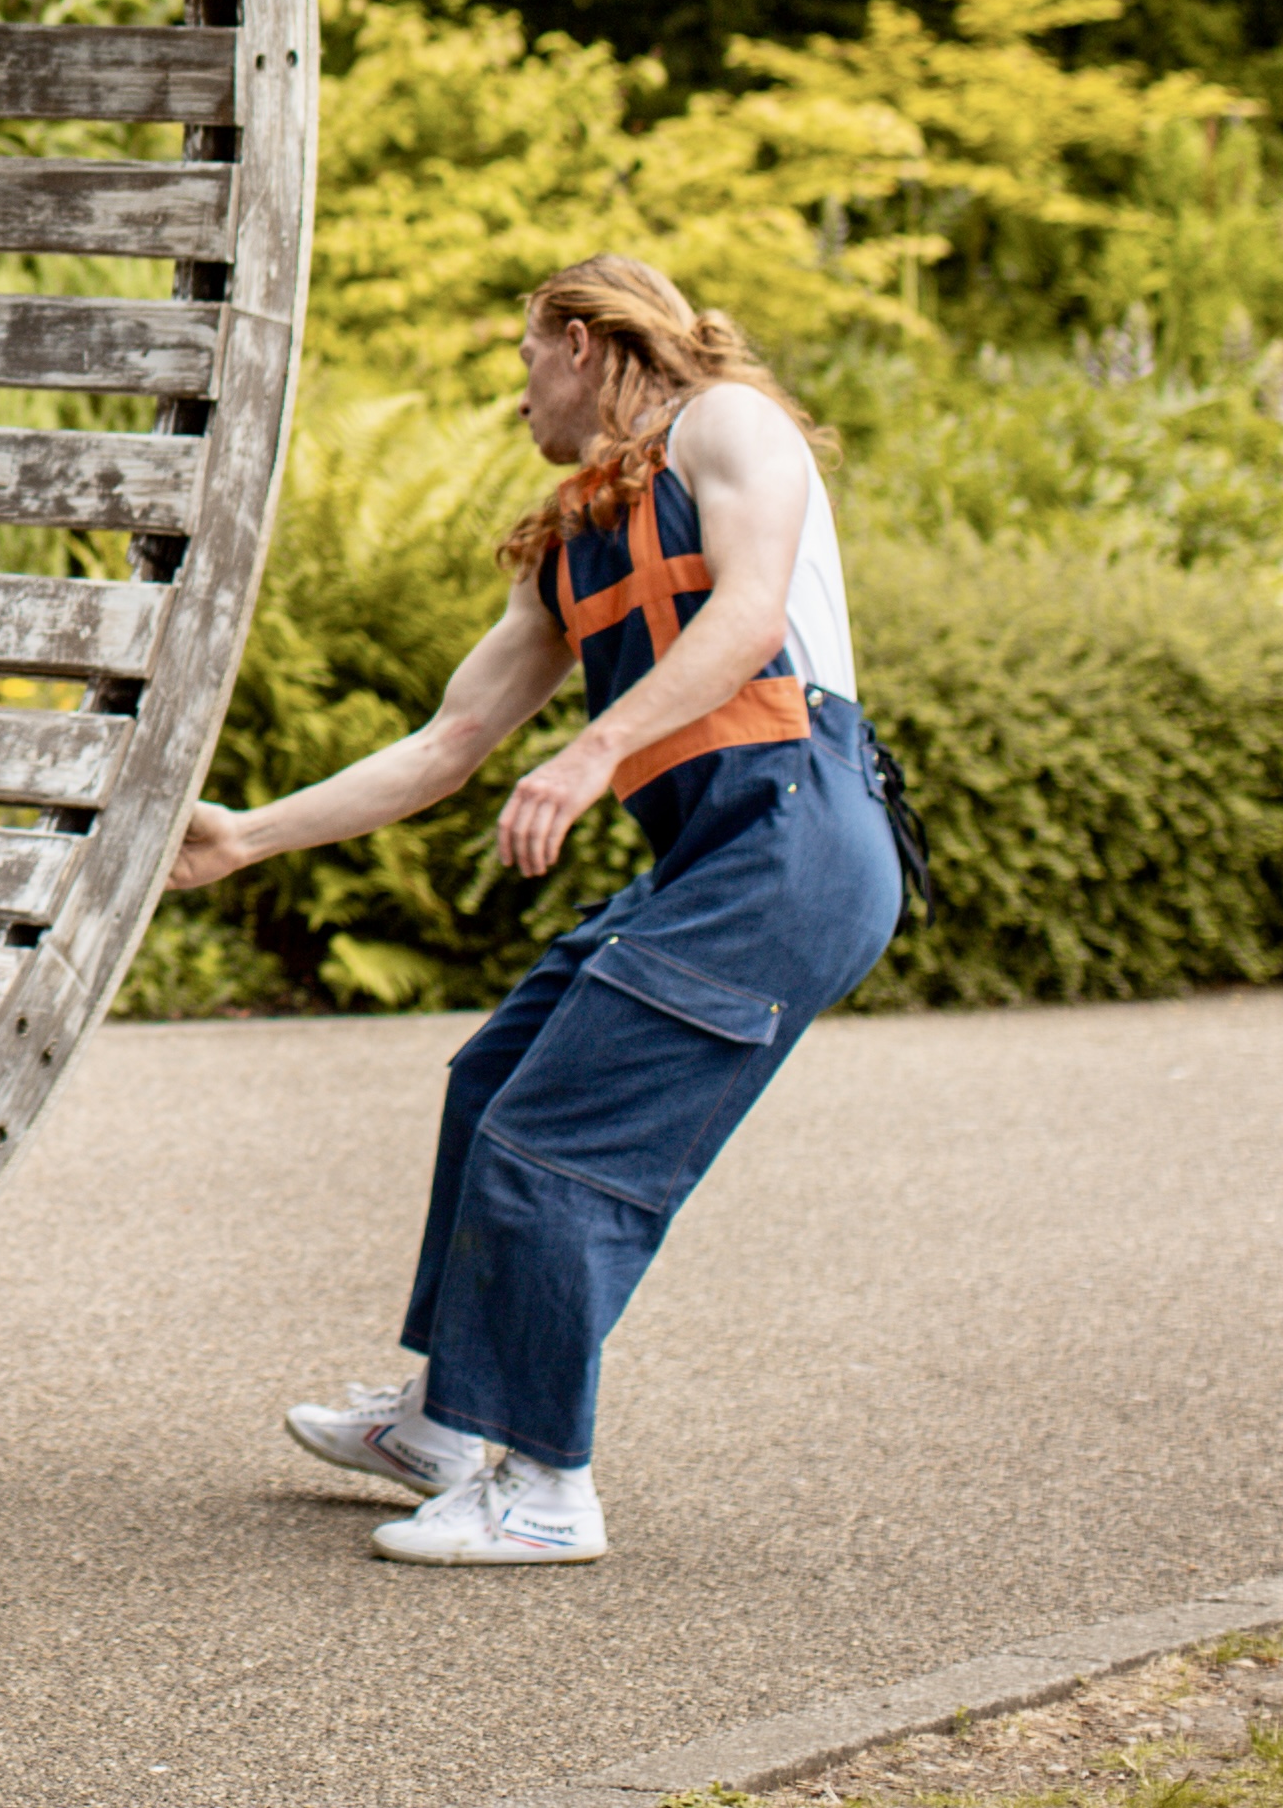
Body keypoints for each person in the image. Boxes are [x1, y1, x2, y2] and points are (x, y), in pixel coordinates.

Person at [167, 254, 909, 1568]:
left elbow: (741, 618)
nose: (517, 395)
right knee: (494, 1075)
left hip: (795, 828)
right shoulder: (578, 529)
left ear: (579, 339)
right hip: (713, 851)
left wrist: (584, 757)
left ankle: (545, 1487)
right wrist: (246, 837)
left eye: (521, 359)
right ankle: (446, 1425)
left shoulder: (727, 422)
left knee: (556, 1136)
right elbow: (446, 739)